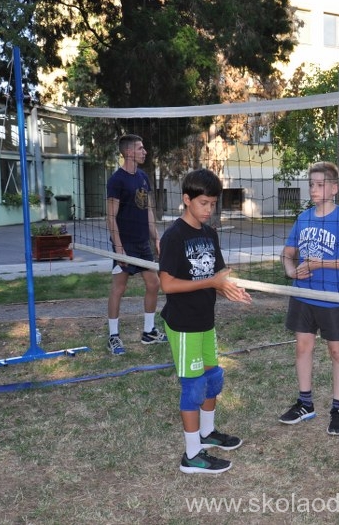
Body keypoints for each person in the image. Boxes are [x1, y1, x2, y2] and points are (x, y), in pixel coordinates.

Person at [158, 168, 252, 474]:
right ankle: (191, 456)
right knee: (194, 387)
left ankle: (207, 433)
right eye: (204, 203)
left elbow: (218, 276)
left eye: (213, 204)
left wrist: (230, 290)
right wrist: (212, 283)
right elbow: (167, 284)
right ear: (187, 199)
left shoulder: (210, 234)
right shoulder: (174, 236)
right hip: (183, 325)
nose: (209, 209)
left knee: (213, 378)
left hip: (205, 321)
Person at [279, 161, 339, 436]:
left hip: (334, 297)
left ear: (334, 188)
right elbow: (287, 253)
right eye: (311, 185)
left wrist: (321, 264)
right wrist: (291, 270)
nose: (313, 189)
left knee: (337, 352)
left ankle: (338, 409)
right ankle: (305, 403)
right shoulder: (304, 218)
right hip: (304, 295)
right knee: (302, 348)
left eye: (319, 185)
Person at [105, 134, 168, 355]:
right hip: (125, 243)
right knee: (119, 288)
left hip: (142, 244)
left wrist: (156, 237)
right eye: (141, 148)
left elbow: (147, 210)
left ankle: (149, 331)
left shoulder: (143, 177)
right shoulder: (116, 180)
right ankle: (113, 336)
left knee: (153, 283)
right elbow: (110, 217)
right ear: (129, 152)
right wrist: (119, 248)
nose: (145, 152)